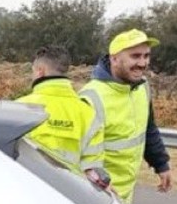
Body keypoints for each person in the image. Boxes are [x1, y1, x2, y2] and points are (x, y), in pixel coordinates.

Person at [80, 29, 174, 204]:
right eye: (135, 56)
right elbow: (80, 153)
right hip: (97, 195)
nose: (142, 63)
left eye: (146, 56)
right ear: (114, 59)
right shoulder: (92, 96)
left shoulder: (142, 87)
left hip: (125, 194)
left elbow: (148, 129)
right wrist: (99, 185)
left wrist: (161, 164)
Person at [15, 45, 108, 188]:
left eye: (33, 71)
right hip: (68, 197)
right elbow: (93, 170)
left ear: (40, 71)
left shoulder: (19, 108)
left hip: (26, 191)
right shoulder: (88, 114)